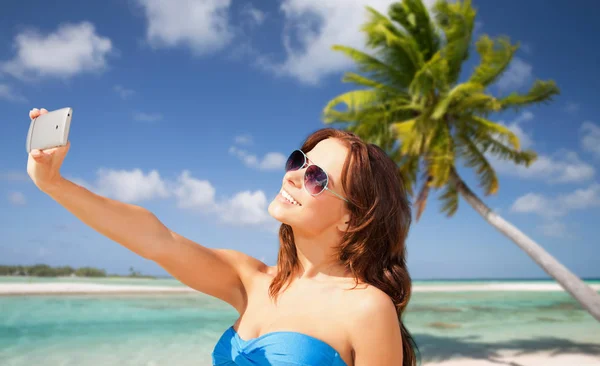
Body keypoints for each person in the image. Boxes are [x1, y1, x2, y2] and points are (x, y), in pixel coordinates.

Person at [27, 107, 419, 366]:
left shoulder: (367, 308)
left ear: (352, 219)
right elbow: (155, 239)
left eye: (316, 178)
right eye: (299, 161)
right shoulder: (251, 280)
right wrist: (53, 184)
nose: (293, 175)